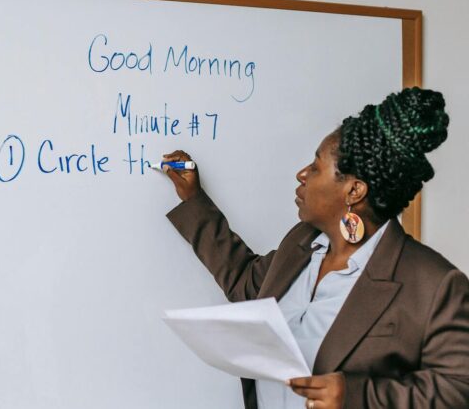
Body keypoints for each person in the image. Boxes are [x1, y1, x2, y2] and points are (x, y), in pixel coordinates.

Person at [162, 87, 469, 409]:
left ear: (354, 190)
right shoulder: (302, 243)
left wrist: (357, 397)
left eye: (316, 166)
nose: (302, 174)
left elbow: (459, 388)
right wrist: (194, 200)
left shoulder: (433, 284)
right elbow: (246, 282)